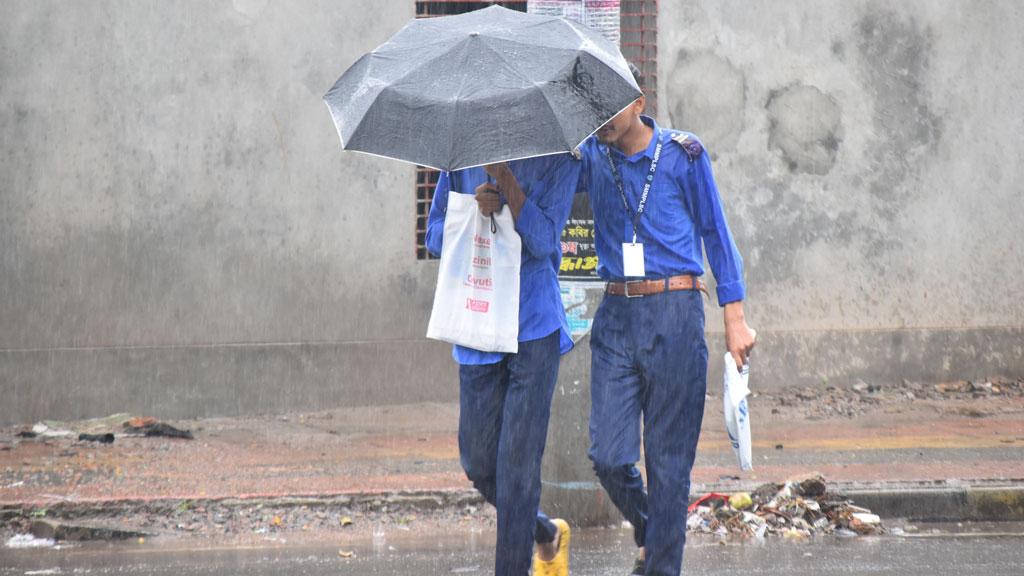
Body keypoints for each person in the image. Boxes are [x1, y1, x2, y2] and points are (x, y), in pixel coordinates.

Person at [576, 66, 756, 576]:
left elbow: (717, 235)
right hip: (615, 319)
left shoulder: (683, 154)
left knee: (670, 469)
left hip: (676, 315)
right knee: (608, 455)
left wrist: (735, 320)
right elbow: (547, 190)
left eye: (613, 104)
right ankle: (654, 529)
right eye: (596, 107)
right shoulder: (590, 156)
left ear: (639, 101)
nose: (603, 119)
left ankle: (659, 562)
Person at [425, 154, 581, 576]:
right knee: (478, 463)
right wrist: (472, 213)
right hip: (478, 327)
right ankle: (544, 530)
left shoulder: (562, 159)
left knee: (517, 468)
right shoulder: (459, 162)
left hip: (533, 328)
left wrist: (508, 185)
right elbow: (434, 235)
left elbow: (547, 239)